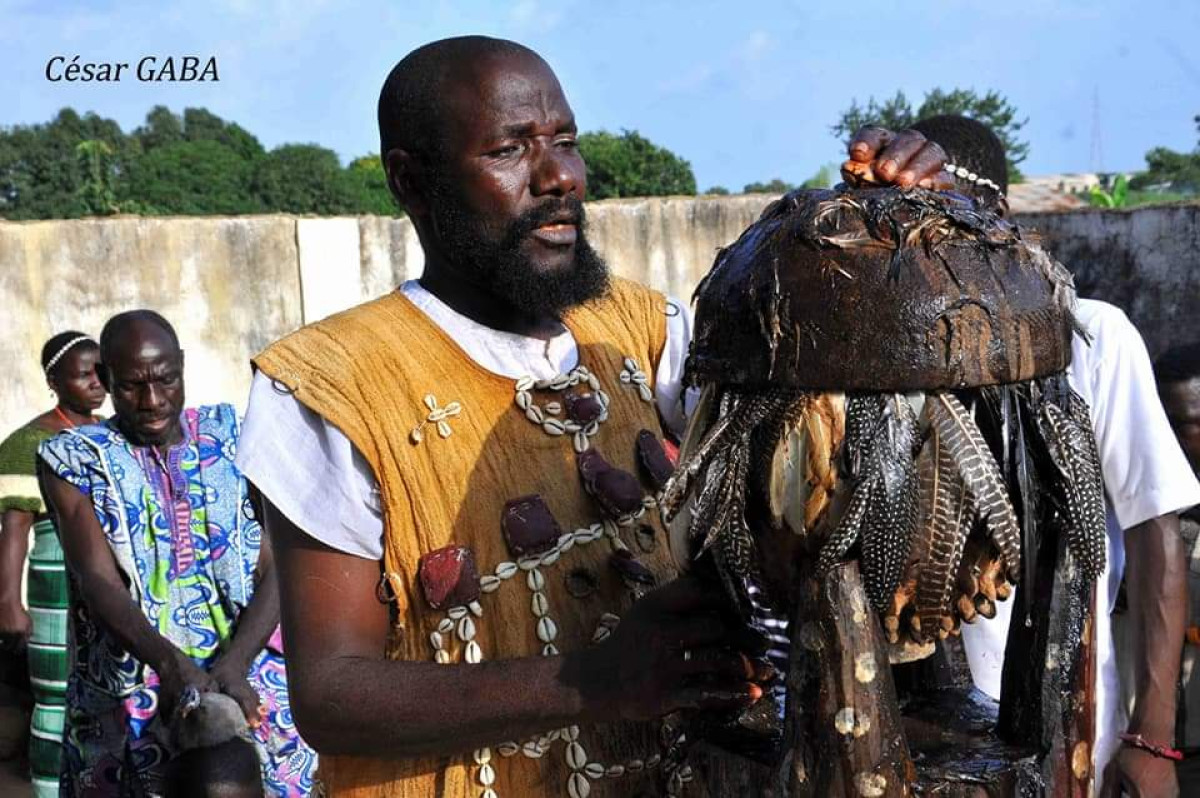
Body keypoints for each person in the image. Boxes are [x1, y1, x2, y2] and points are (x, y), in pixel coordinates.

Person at [235, 36, 949, 797]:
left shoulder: (641, 329)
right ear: (411, 181)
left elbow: (811, 448)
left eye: (566, 142)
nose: (560, 177)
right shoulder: (330, 384)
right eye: (511, 149)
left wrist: (890, 221)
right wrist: (592, 681)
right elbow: (333, 694)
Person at [897, 114, 1200, 798]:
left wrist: (1153, 739)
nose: (920, 241)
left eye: (939, 213)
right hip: (921, 750)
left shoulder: (1091, 337)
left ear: (995, 215)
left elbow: (1157, 532)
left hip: (1068, 740)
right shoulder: (885, 361)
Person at [37, 311, 316, 796]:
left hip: (248, 676)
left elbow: (280, 562)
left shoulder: (235, 436)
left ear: (182, 366)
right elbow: (97, 581)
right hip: (138, 690)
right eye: (131, 386)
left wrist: (236, 661)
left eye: (166, 379)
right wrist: (169, 665)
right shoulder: (74, 459)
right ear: (104, 380)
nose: (152, 400)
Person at [0, 331, 106, 796]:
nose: (97, 383)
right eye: (84, 375)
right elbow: (15, 532)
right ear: (54, 380)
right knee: (54, 699)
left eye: (100, 372)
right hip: (55, 595)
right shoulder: (28, 442)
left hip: (105, 592)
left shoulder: (110, 432)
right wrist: (9, 604)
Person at [1155, 343, 1200, 790]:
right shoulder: (1140, 518)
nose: (1171, 440)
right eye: (1163, 424)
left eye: (1185, 426)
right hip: (1156, 744)